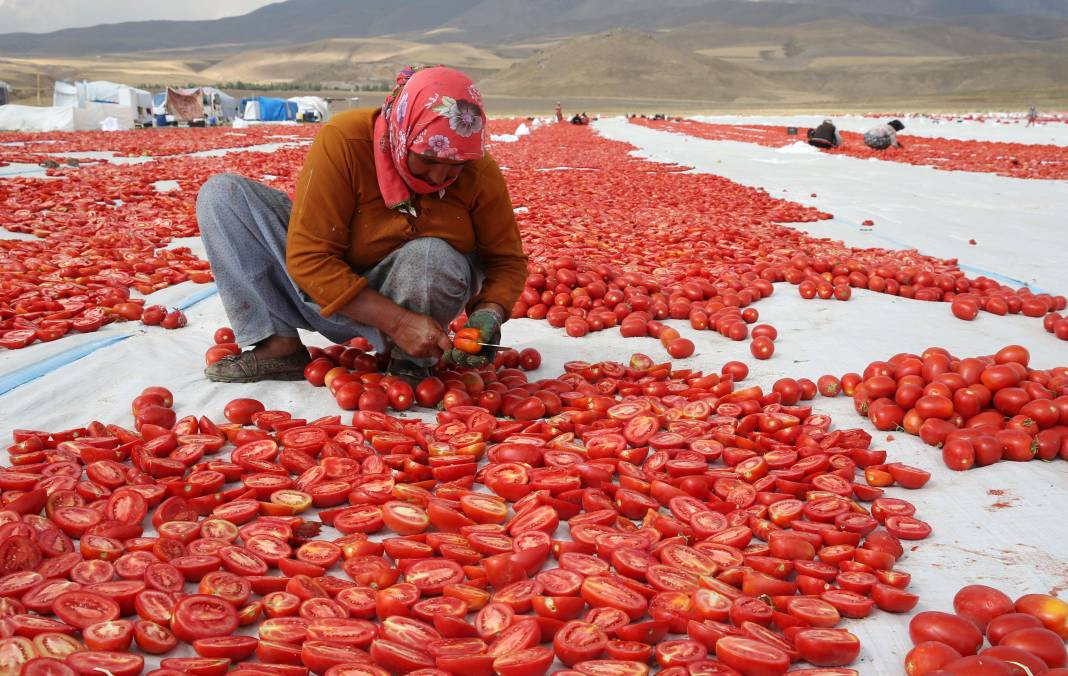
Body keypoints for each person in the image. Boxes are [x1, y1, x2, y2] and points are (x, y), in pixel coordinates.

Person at [195, 66, 527, 384]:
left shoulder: (479, 172)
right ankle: (277, 345)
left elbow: (506, 260)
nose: (440, 177)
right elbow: (309, 257)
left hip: (417, 294)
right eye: (427, 160)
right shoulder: (345, 140)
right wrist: (396, 321)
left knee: (431, 254)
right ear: (402, 132)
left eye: (455, 166)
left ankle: (411, 362)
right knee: (222, 196)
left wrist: (490, 310)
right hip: (325, 292)